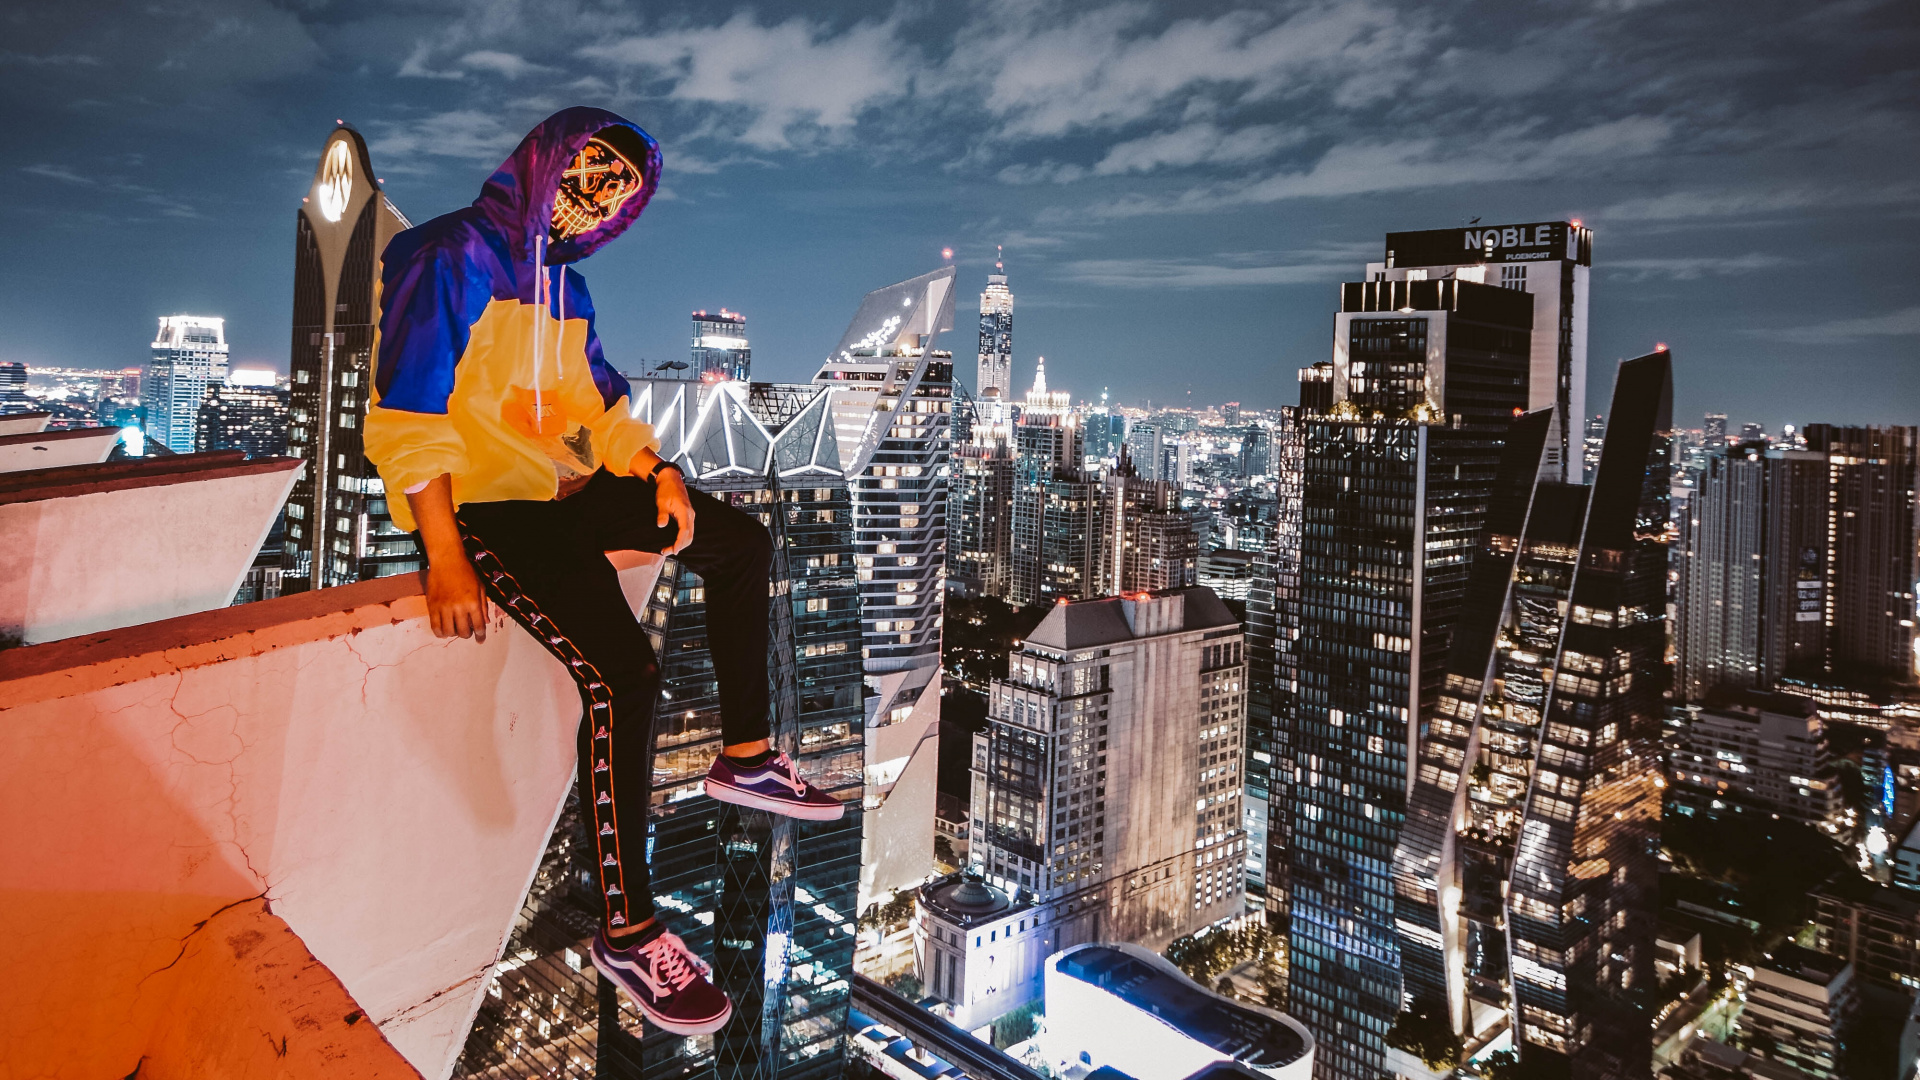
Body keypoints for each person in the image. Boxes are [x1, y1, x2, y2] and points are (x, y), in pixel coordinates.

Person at [363, 106, 840, 1037]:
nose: (592, 201)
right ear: (544, 164)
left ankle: (744, 758)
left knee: (737, 540)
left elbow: (599, 406)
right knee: (625, 672)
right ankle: (629, 930)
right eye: (585, 175)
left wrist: (658, 471)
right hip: (483, 506)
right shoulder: (447, 255)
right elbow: (406, 413)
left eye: (615, 193)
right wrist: (445, 553)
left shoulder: (563, 288)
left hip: (560, 489)